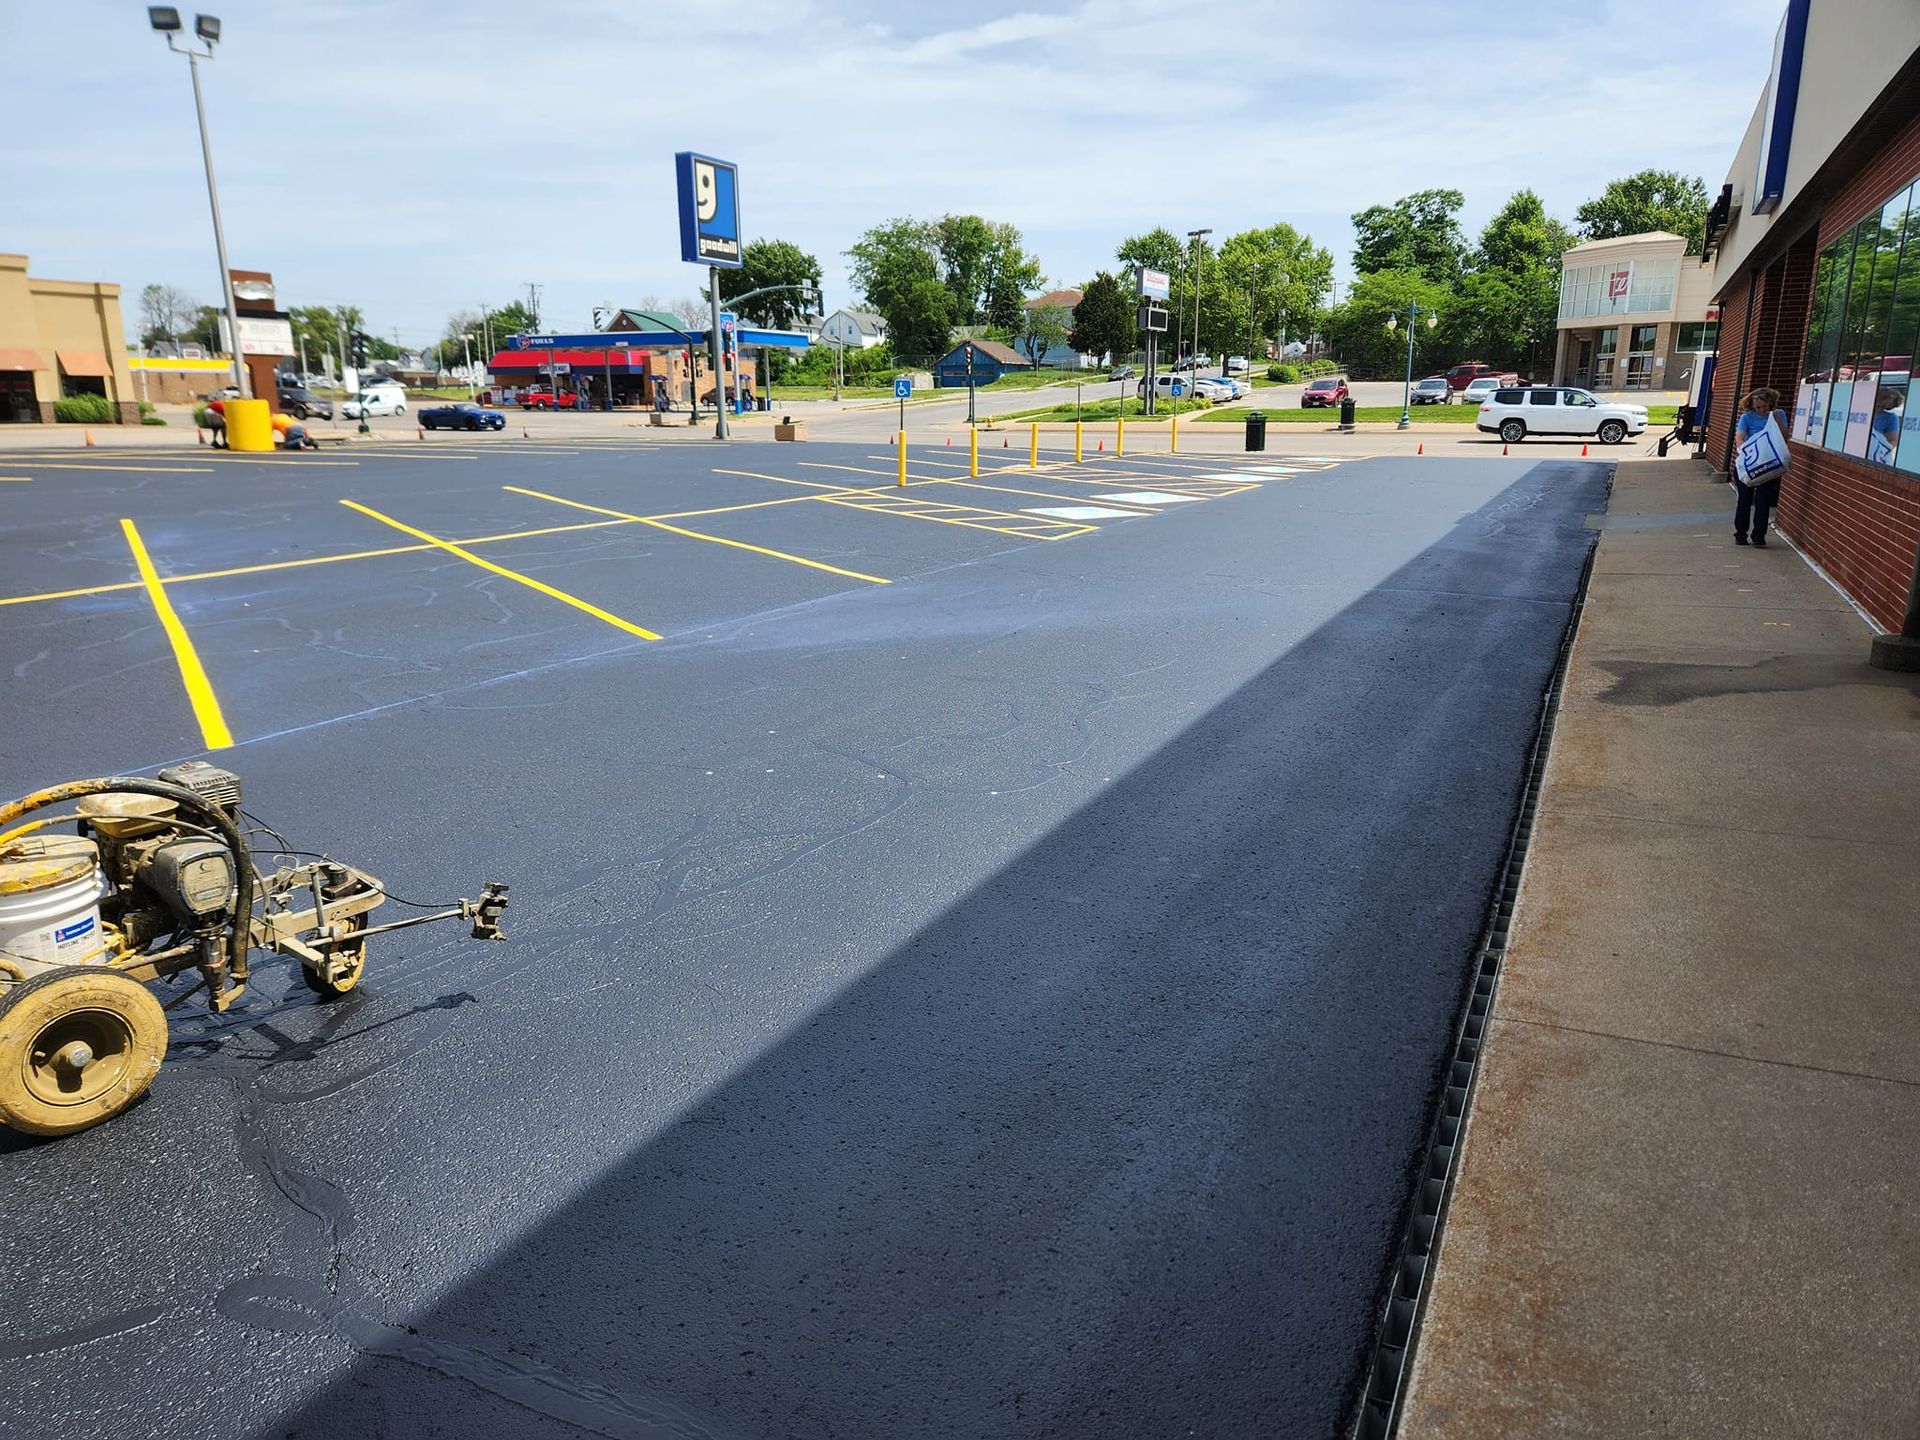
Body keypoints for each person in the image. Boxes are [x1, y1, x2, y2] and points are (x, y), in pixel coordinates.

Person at [1733, 387, 1789, 547]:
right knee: (1744, 500)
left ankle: (1759, 535)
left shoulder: (1778, 414)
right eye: (1757, 407)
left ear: (1770, 403)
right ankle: (1740, 534)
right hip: (1750, 463)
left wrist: (1776, 418)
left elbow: (1785, 436)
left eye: (1764, 406)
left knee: (1763, 500)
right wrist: (1748, 451)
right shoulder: (1747, 418)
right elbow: (1740, 439)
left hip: (1768, 465)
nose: (1761, 410)